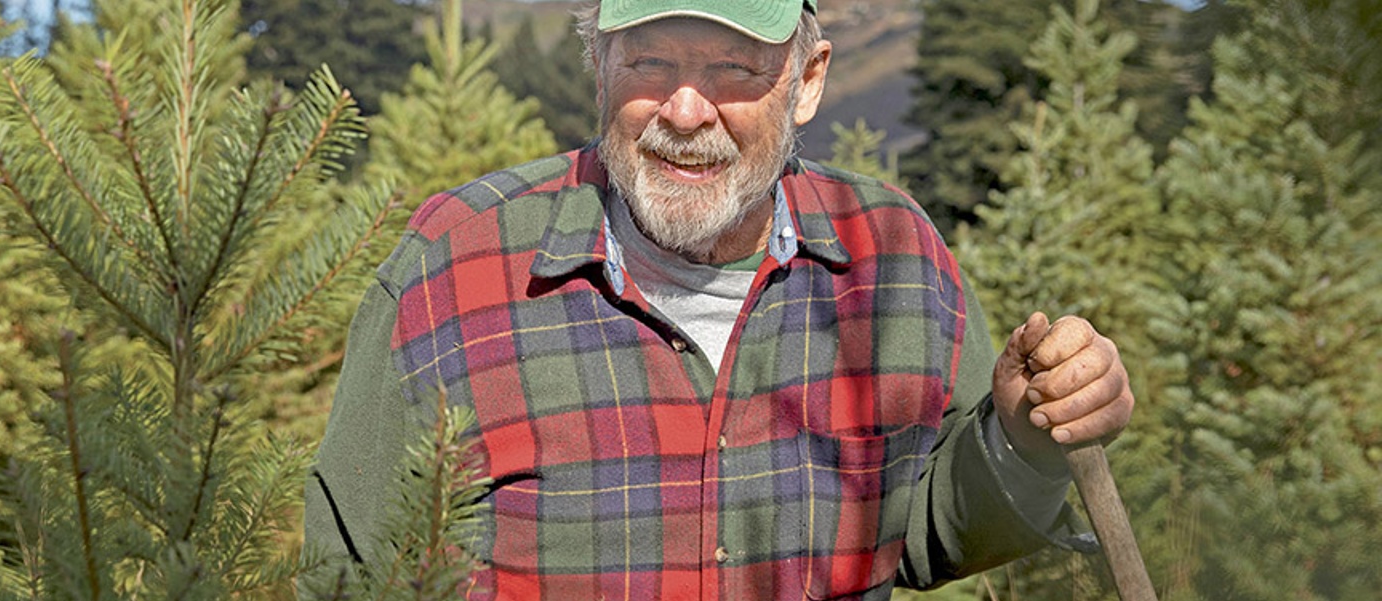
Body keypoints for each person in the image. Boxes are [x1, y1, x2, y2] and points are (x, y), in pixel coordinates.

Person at [304, 0, 1135, 598]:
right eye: (650, 62)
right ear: (599, 65)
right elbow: (351, 571)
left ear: (806, 82)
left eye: (735, 68)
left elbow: (928, 529)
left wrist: (1022, 441)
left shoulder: (892, 258)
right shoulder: (456, 265)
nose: (686, 110)